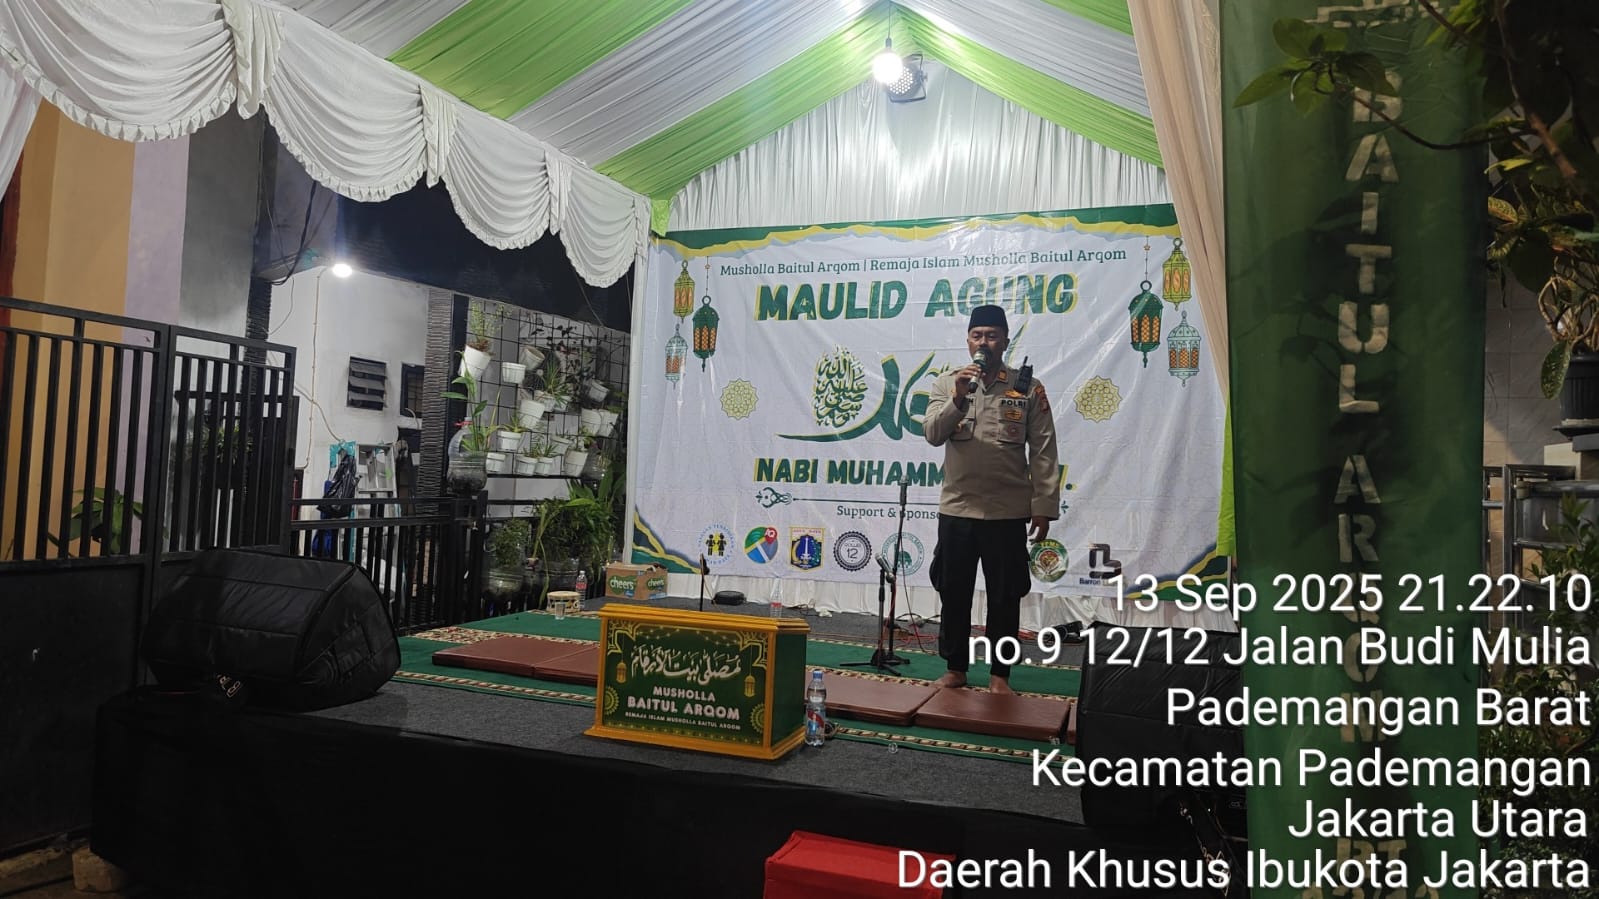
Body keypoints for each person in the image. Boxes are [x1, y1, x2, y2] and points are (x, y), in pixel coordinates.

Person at [923, 304, 1061, 695]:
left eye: (992, 335)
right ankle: (955, 668)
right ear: (968, 340)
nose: (984, 342)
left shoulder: (1027, 388)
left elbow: (1044, 451)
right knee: (954, 592)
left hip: (1007, 512)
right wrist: (958, 397)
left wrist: (1043, 507)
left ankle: (1001, 675)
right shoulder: (947, 383)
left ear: (1005, 340)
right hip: (958, 509)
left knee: (1005, 596)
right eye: (977, 335)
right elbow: (932, 434)